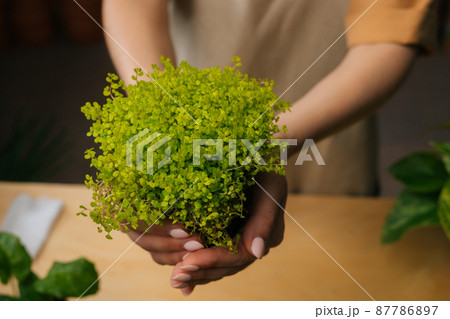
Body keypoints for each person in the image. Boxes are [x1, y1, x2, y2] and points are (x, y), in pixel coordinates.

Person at [102, 0, 440, 296]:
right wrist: (162, 111)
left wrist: (265, 146)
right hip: (186, 103)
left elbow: (390, 29)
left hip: (329, 125)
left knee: (324, 279)